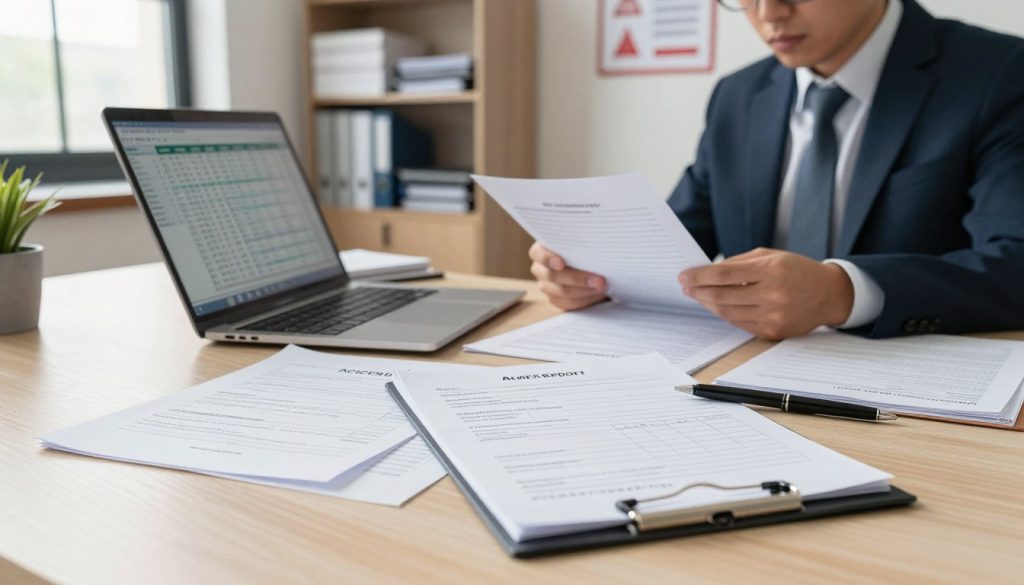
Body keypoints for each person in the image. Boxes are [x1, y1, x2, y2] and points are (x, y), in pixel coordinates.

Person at [530, 0, 1024, 339]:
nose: (768, 15)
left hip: (917, 403)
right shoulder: (738, 96)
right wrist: (592, 272)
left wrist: (841, 292)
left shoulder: (997, 73)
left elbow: (1014, 264)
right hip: (748, 382)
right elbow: (678, 244)